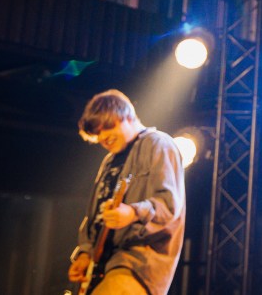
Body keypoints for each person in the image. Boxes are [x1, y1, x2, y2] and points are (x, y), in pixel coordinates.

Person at [69, 90, 185, 295]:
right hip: (104, 265)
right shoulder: (109, 161)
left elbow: (169, 205)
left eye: (108, 126)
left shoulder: (158, 143)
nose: (103, 137)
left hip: (138, 263)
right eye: (97, 132)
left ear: (128, 116)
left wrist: (132, 213)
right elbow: (95, 215)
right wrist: (86, 253)